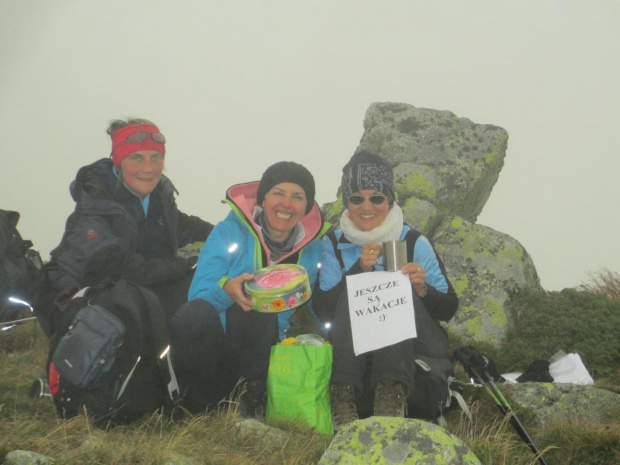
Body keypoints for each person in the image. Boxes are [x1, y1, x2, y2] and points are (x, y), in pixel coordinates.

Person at [312, 150, 458, 431]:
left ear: (389, 200)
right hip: (355, 349)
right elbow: (323, 310)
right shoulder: (332, 243)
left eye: (376, 197)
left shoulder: (413, 240)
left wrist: (422, 289)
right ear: (347, 202)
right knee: (356, 287)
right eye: (357, 198)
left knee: (393, 292)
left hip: (418, 342)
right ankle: (343, 398)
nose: (367, 206)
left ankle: (391, 397)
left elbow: (450, 307)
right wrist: (357, 271)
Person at [169, 161, 330, 415]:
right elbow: (198, 296)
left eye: (297, 197)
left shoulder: (312, 249)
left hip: (263, 350)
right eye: (278, 193)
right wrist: (227, 292)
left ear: (306, 207)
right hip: (215, 345)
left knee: (261, 307)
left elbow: (317, 303)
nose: (286, 204)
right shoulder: (229, 232)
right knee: (196, 313)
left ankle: (248, 398)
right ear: (263, 199)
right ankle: (197, 401)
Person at [34, 118, 213, 338]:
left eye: (156, 157)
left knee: (196, 291)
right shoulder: (96, 206)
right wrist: (189, 263)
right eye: (136, 158)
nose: (148, 168)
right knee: (180, 293)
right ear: (118, 161)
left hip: (128, 291)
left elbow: (185, 225)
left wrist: (232, 231)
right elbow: (122, 270)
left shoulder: (156, 199)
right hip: (73, 301)